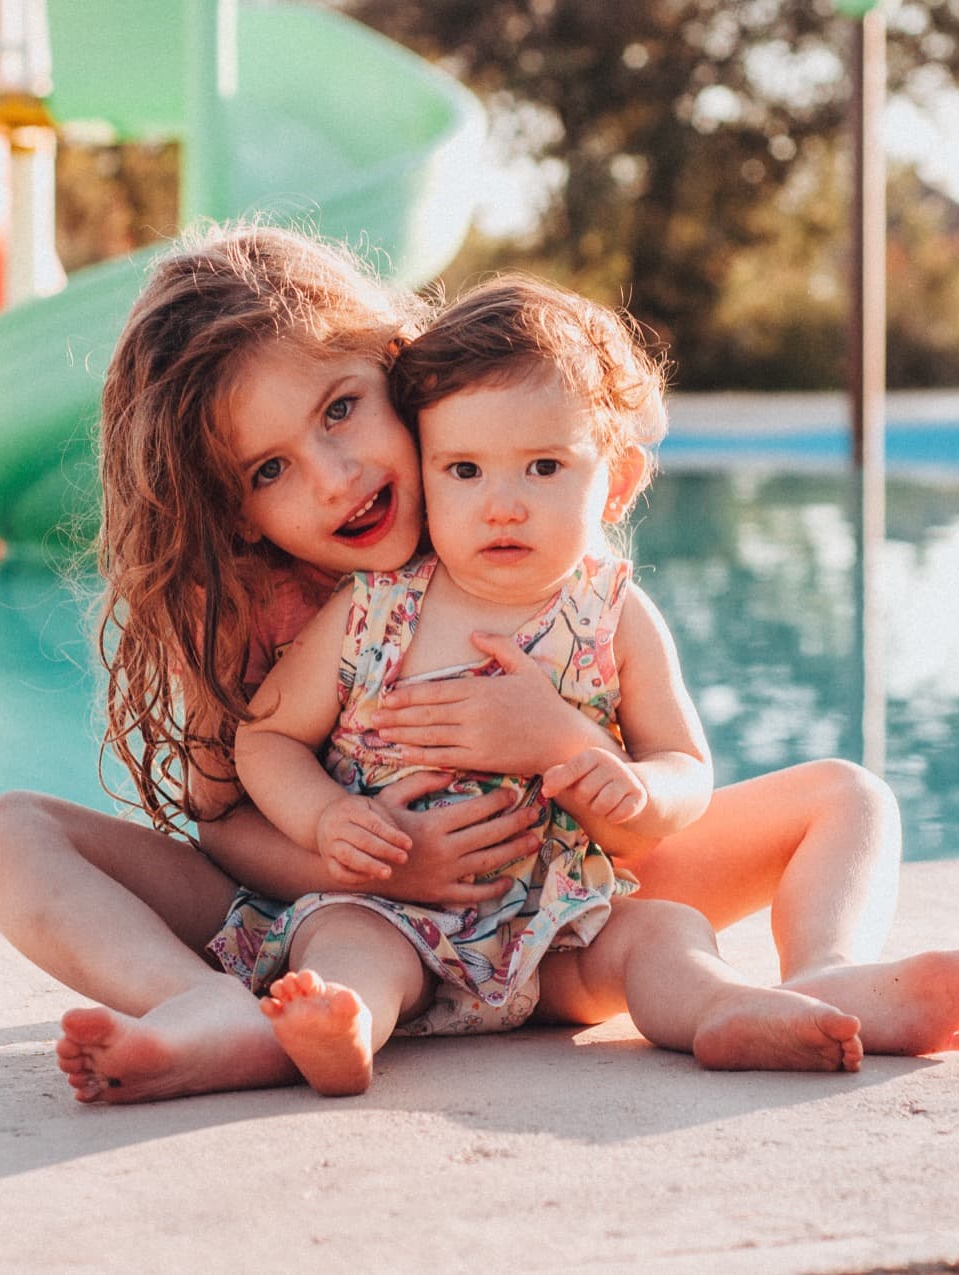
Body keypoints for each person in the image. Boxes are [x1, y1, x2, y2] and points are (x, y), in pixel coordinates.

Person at [0, 224, 959, 1105]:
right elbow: (225, 817)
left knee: (846, 795)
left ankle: (825, 976)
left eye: (341, 410)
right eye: (271, 469)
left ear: (400, 374)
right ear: (229, 507)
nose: (334, 478)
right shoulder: (241, 605)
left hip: (565, 888)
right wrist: (363, 860)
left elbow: (664, 760)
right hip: (334, 909)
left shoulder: (522, 518)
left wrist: (568, 741)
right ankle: (207, 1009)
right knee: (7, 833)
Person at [218, 277, 863, 1093]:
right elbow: (266, 737)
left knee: (661, 934)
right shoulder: (373, 608)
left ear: (618, 480)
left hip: (561, 925)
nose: (502, 505)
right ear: (423, 466)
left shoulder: (613, 614)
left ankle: (717, 1009)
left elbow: (684, 767)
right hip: (392, 912)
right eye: (464, 470)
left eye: (543, 466)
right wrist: (326, 817)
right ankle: (345, 1023)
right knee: (344, 946)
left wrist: (612, 773)